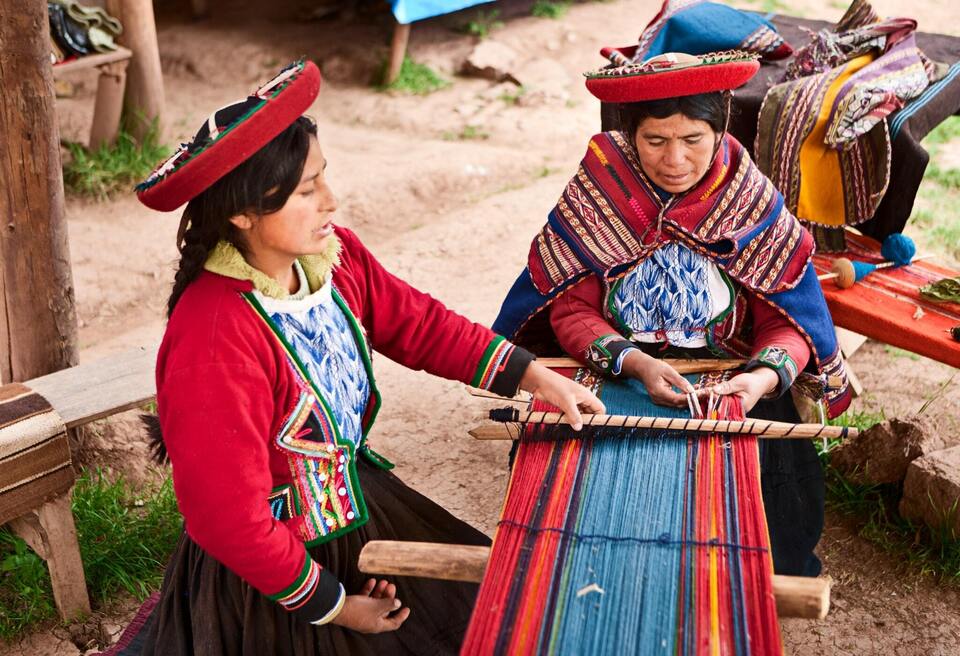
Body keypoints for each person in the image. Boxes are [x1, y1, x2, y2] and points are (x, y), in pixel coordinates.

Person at [105, 60, 603, 656]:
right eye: (307, 190)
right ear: (242, 213)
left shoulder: (332, 261)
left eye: (325, 178)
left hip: (354, 506)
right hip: (270, 572)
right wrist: (338, 608)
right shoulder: (213, 337)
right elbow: (228, 520)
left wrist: (535, 376)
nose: (331, 202)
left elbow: (417, 323)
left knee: (496, 620)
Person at [493, 51, 852, 577]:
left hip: (728, 373)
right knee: (558, 483)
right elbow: (570, 308)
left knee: (779, 496)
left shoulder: (748, 202)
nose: (675, 160)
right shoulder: (601, 192)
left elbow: (788, 319)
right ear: (629, 134)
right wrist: (635, 363)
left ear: (720, 129)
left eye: (693, 140)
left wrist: (758, 381)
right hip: (618, 367)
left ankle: (746, 584)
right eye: (655, 141)